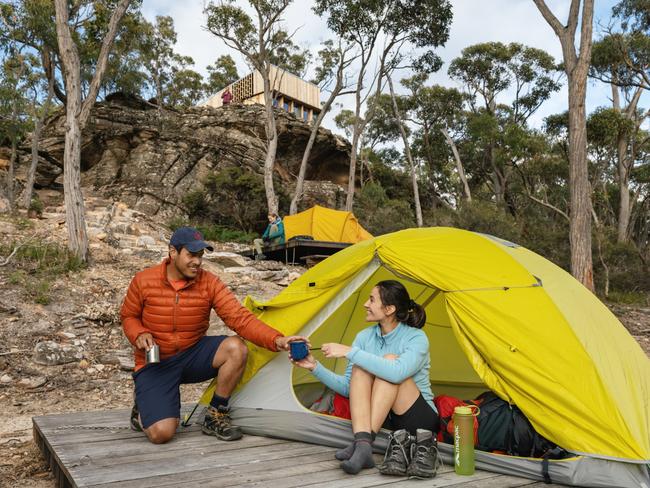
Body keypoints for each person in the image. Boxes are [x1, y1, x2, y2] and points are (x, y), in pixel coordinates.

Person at [121, 226, 305, 444]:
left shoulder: (209, 283)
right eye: (191, 255)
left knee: (236, 348)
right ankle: (144, 402)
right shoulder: (143, 280)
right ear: (173, 252)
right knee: (162, 434)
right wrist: (139, 333)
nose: (197, 262)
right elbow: (128, 316)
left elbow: (239, 318)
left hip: (192, 354)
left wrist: (277, 339)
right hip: (156, 362)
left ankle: (215, 413)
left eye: (200, 256)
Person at [291, 280, 440, 478]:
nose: (366, 304)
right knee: (361, 369)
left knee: (390, 362)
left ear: (389, 309)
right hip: (385, 421)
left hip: (419, 420)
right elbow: (348, 388)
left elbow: (396, 373)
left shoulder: (416, 338)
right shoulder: (364, 337)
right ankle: (363, 445)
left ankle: (362, 444)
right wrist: (314, 367)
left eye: (371, 300)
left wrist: (350, 352)